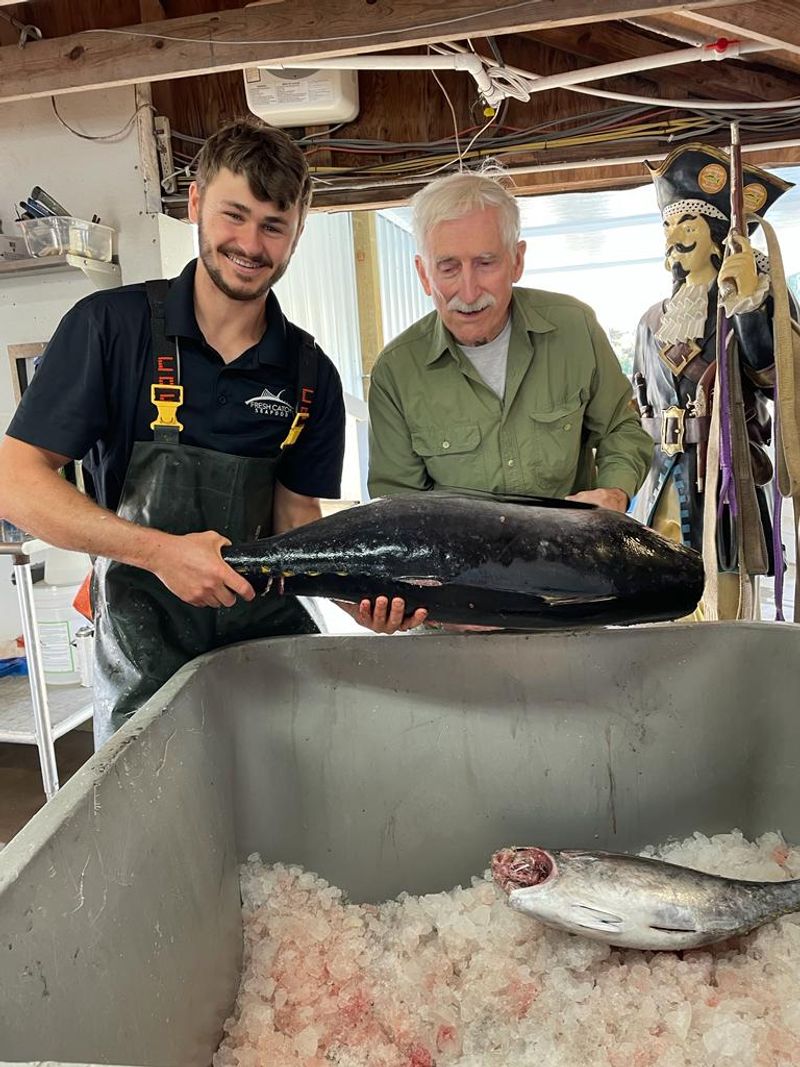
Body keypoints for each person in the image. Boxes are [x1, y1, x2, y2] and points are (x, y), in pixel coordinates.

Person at [0, 116, 382, 747]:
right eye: (235, 214)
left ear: (296, 234)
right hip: (141, 659)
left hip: (269, 654)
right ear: (197, 203)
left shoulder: (311, 373)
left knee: (287, 830)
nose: (251, 244)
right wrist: (160, 552)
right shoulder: (109, 329)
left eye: (273, 225)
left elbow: (296, 520)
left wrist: (355, 594)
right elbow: (15, 482)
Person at [630, 143, 793, 619]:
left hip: (723, 479)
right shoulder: (649, 322)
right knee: (660, 608)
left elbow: (776, 383)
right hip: (662, 480)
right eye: (667, 224)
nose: (673, 236)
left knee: (724, 609)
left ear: (718, 232)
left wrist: (751, 307)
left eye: (687, 224)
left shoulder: (756, 302)